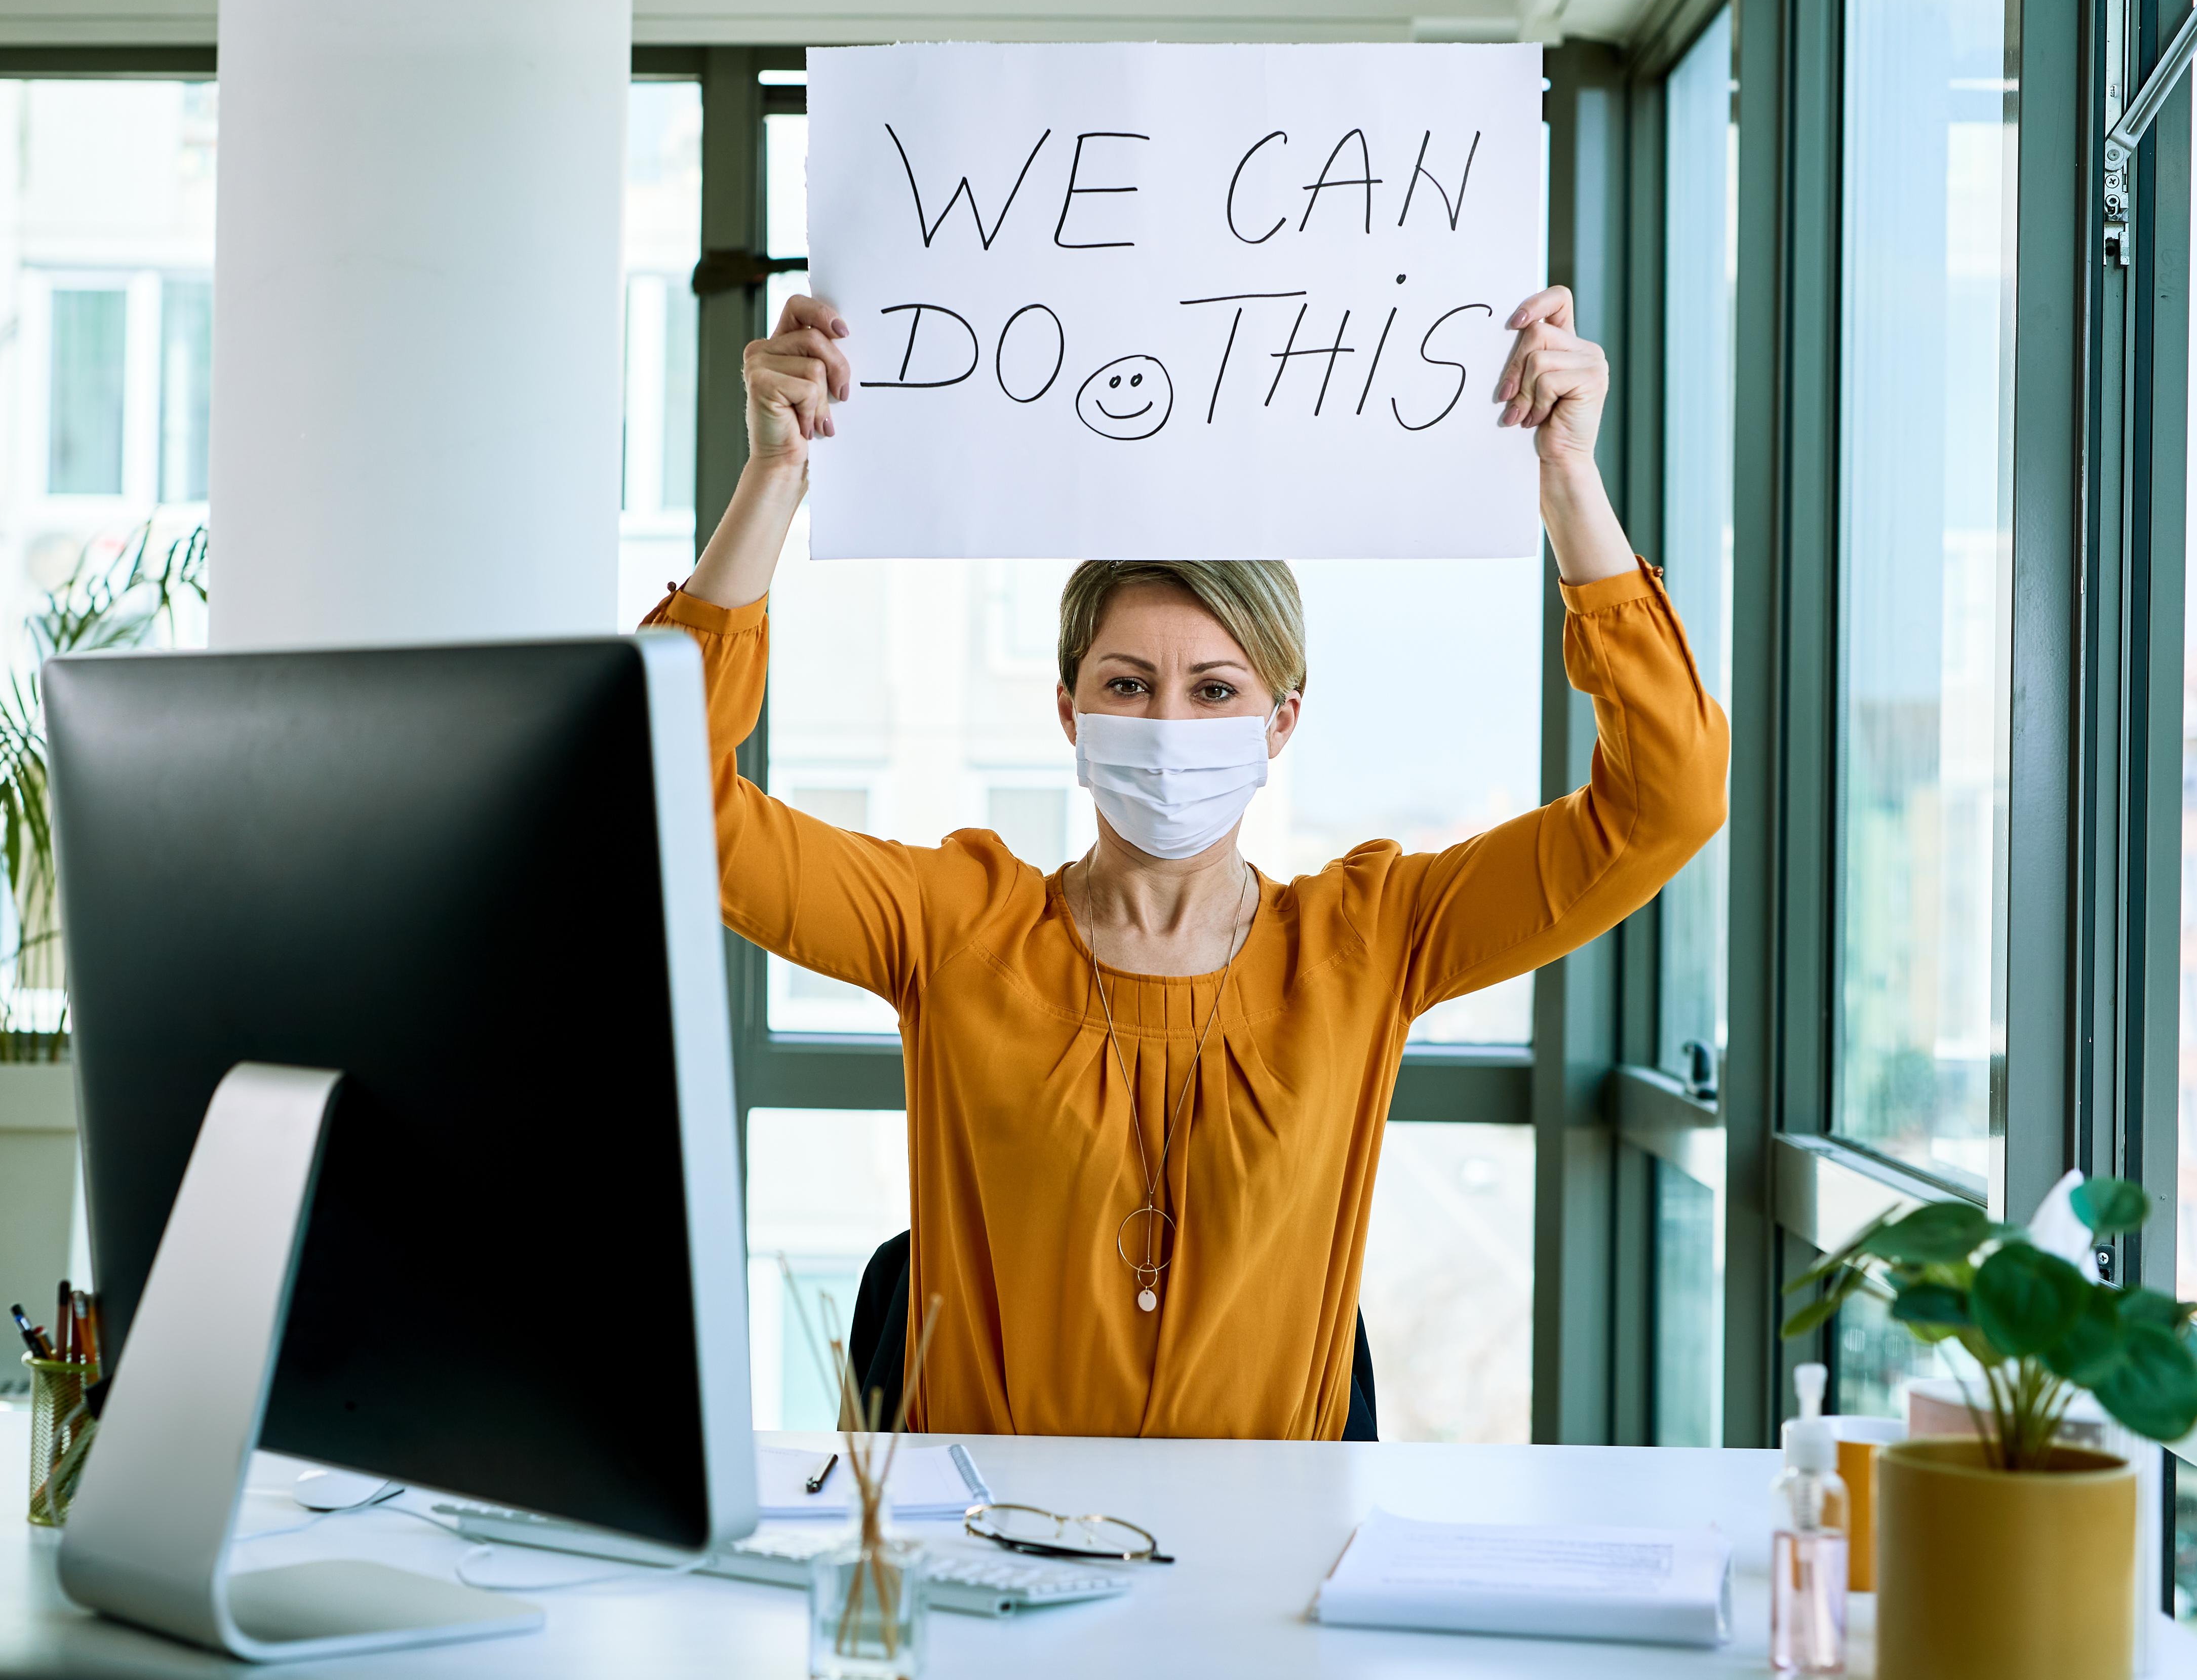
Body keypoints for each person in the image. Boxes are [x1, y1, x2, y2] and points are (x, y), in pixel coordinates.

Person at [645, 287, 1727, 1439]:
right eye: (1127, 684)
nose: (1170, 722)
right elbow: (662, 793)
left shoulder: (1370, 940)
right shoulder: (953, 925)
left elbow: (1666, 799)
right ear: (1068, 711)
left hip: (1267, 1574)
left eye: (1217, 690)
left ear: (1282, 722)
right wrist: (774, 484)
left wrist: (1568, 485)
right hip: (988, 1563)